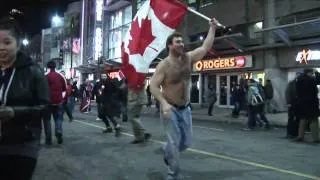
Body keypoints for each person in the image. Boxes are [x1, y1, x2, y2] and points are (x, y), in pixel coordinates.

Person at [150, 18, 218, 179]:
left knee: (185, 142)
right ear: (170, 45)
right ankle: (173, 174)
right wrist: (164, 103)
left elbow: (205, 46)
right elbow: (153, 86)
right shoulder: (164, 65)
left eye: (182, 42)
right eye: (177, 42)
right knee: (174, 143)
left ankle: (168, 152)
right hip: (170, 109)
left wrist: (213, 28)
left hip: (185, 108)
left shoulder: (188, 58)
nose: (181, 44)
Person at [0, 17, 50, 180]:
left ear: (18, 44)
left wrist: (15, 112)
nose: (1, 48)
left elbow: (45, 107)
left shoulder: (34, 72)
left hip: (23, 143)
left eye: (7, 43)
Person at [43, 60, 67, 145]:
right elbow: (64, 89)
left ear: (48, 67)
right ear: (55, 67)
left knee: (47, 120)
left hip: (48, 101)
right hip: (58, 101)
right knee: (58, 118)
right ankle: (58, 130)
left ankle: (48, 140)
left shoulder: (45, 76)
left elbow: (42, 89)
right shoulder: (60, 76)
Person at [295, 69, 320, 143]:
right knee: (314, 120)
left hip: (302, 103)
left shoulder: (298, 80)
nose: (312, 74)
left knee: (303, 120)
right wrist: (317, 72)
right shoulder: (311, 80)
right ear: (309, 73)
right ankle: (316, 138)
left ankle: (300, 136)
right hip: (311, 103)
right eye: (312, 73)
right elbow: (319, 80)